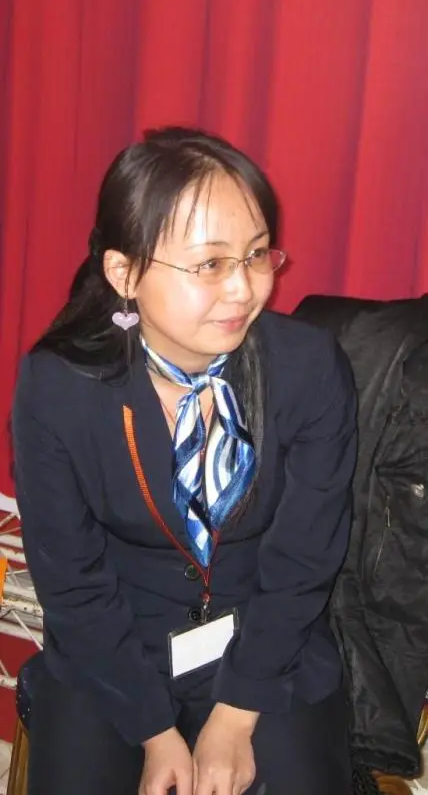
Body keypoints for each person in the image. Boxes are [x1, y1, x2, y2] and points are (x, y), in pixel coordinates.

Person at [12, 126, 357, 795]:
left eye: (256, 255)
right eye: (210, 264)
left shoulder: (307, 368)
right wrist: (154, 730)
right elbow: (72, 580)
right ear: (125, 273)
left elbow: (305, 558)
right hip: (115, 648)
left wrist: (235, 714)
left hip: (266, 641)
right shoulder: (59, 386)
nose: (243, 289)